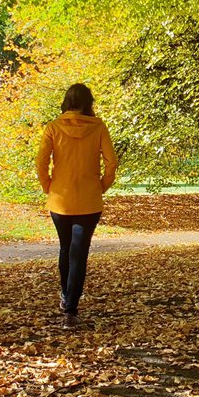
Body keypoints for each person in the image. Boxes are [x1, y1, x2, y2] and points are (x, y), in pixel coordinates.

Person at [36, 83, 118, 329]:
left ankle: (65, 296)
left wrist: (48, 185)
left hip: (60, 199)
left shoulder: (53, 127)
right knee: (78, 254)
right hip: (89, 199)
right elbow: (111, 163)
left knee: (65, 249)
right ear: (88, 103)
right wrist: (101, 186)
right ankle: (70, 309)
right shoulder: (98, 127)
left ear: (66, 102)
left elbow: (40, 162)